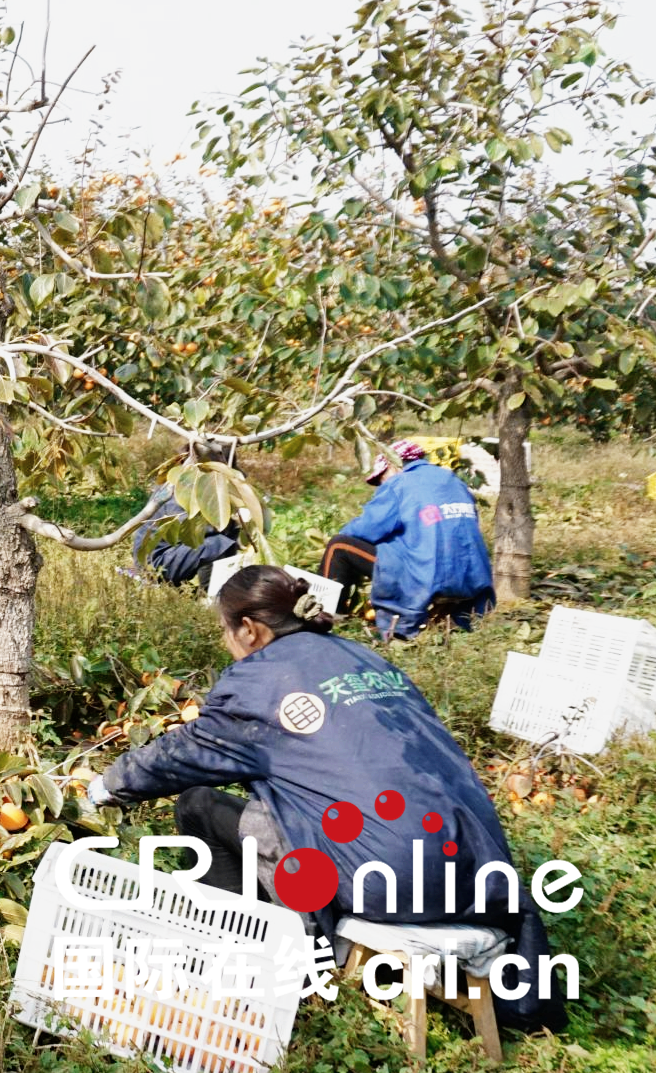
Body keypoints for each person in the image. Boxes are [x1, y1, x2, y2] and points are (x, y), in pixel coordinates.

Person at [90, 566, 565, 1035]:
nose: (225, 641)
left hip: (391, 881)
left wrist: (102, 787)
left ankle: (259, 962)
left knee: (201, 807)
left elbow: (181, 755)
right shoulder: (363, 657)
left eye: (224, 630)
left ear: (250, 629)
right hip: (477, 871)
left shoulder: (257, 683)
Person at [320, 438, 495, 639]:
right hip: (473, 575)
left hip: (427, 574)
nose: (381, 484)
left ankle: (324, 618)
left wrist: (343, 533)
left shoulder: (399, 483)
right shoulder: (453, 480)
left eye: (381, 478)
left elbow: (367, 528)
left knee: (339, 546)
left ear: (393, 465)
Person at [131, 442, 245, 586]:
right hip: (156, 562)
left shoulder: (187, 478)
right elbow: (193, 532)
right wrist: (236, 526)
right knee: (219, 543)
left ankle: (221, 587)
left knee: (226, 537)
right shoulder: (183, 488)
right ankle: (213, 592)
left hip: (169, 554)